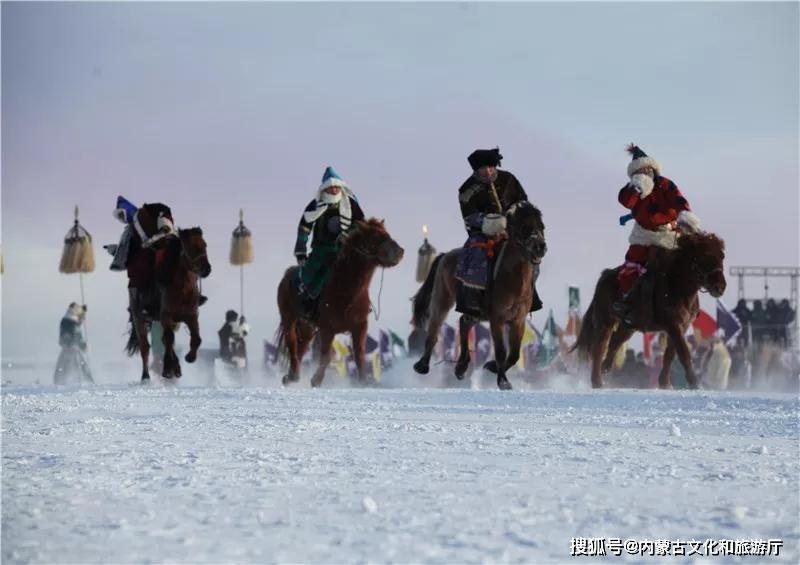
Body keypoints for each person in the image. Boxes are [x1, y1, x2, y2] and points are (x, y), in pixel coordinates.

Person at [613, 144, 703, 324]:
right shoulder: (631, 189)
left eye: (648, 169)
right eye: (641, 171)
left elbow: (679, 200)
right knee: (633, 263)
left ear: (653, 169)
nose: (645, 173)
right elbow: (626, 202)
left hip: (669, 233)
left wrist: (685, 215)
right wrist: (637, 189)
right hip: (644, 235)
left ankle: (692, 303)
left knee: (685, 264)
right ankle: (628, 301)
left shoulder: (665, 184)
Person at [455, 147, 543, 318]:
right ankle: (473, 299)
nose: (488, 171)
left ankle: (530, 296)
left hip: (513, 229)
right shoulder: (466, 189)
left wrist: (511, 217)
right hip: (483, 232)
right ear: (476, 170)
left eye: (490, 167)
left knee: (532, 253)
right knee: (477, 257)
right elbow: (470, 216)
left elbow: (523, 202)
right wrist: (494, 224)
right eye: (483, 168)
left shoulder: (509, 179)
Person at [105, 196, 206, 314]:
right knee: (141, 271)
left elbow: (165, 220)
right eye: (120, 217)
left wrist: (160, 232)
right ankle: (145, 304)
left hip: (167, 242)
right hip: (149, 252)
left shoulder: (146, 214)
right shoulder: (130, 230)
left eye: (122, 215)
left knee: (185, 258)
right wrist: (113, 250)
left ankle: (194, 293)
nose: (123, 218)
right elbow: (125, 248)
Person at [293, 166, 364, 318]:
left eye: (336, 186)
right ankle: (310, 300)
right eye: (331, 187)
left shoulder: (350, 204)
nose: (334, 190)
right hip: (321, 249)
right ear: (325, 189)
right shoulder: (315, 205)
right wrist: (301, 249)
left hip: (344, 248)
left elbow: (360, 224)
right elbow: (304, 227)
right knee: (314, 272)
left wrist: (348, 235)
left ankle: (360, 303)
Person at [54, 303, 93, 384]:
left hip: (65, 349)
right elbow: (77, 337)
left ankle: (59, 383)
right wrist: (83, 346)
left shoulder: (65, 321)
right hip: (73, 349)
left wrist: (83, 312)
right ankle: (89, 383)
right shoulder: (72, 323)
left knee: (61, 370)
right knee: (82, 368)